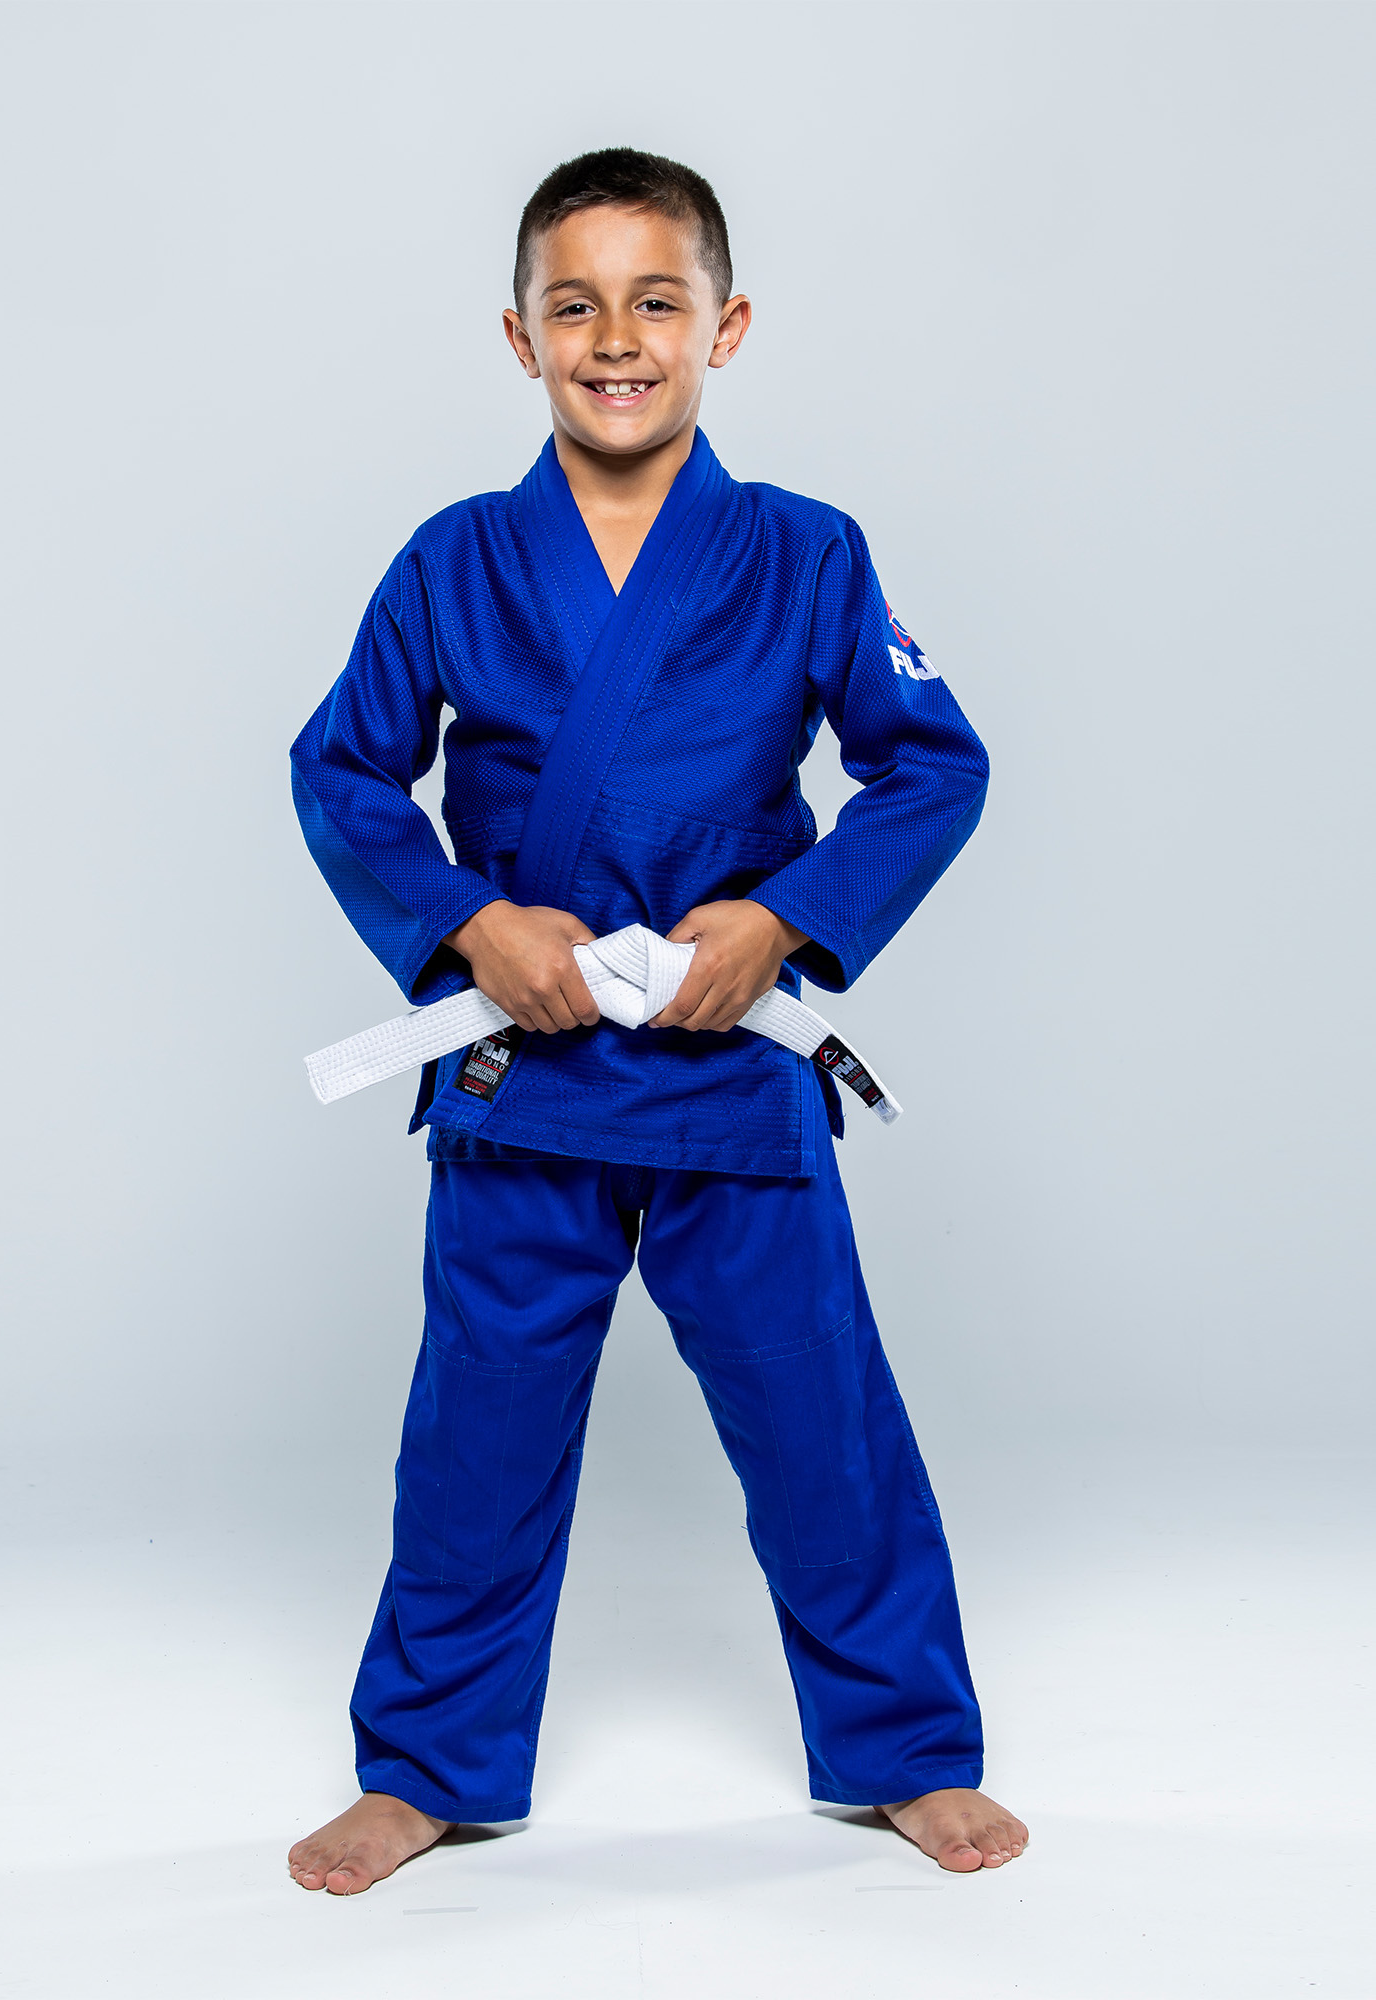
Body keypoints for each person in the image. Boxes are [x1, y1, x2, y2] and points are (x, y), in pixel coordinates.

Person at [286, 148, 1028, 1895]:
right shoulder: (455, 559)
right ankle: (430, 1768)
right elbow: (341, 771)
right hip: (519, 1073)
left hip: (723, 1067)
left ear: (726, 324)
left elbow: (936, 766)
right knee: (479, 1429)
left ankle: (906, 1749)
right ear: (520, 335)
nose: (616, 336)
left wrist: (786, 919)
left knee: (818, 1414)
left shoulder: (806, 554)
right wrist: (470, 916)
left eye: (657, 300)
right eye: (575, 304)